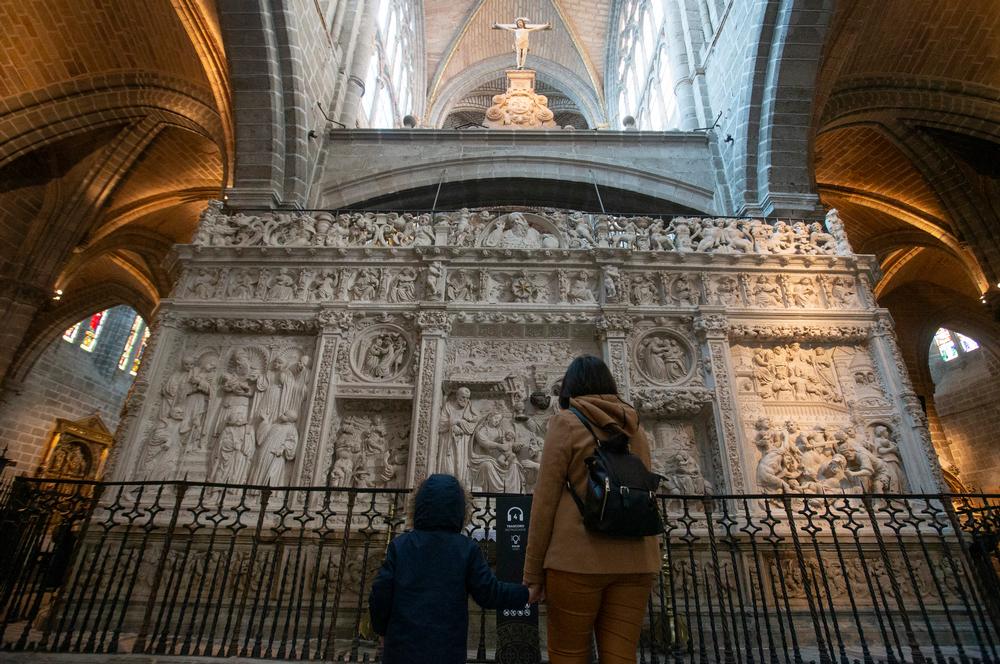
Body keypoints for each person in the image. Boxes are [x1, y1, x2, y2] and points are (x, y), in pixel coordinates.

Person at [523, 355, 661, 664]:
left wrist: (532, 572)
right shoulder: (634, 426)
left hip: (578, 561)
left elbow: (545, 500)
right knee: (621, 656)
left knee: (569, 655)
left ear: (568, 389)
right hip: (637, 560)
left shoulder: (566, 422)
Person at [369, 474, 529, 664]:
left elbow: (380, 595)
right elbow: (489, 593)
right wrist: (527, 593)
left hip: (403, 647)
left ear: (419, 505)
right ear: (460, 509)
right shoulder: (466, 549)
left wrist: (381, 629)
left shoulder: (400, 546)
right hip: (446, 649)